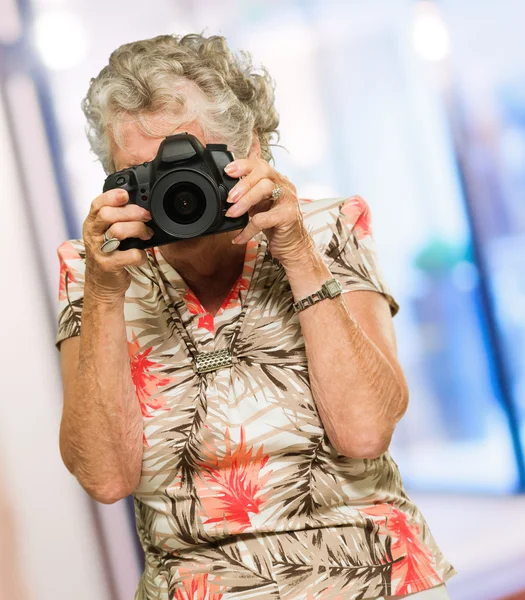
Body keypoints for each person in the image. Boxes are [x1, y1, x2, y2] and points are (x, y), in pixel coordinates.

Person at [56, 33, 456, 600]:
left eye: (197, 165)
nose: (179, 194)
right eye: (148, 178)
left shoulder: (325, 229)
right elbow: (104, 477)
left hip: (372, 578)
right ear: (116, 182)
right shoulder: (95, 270)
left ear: (256, 149)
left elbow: (365, 431)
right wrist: (102, 296)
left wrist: (295, 251)